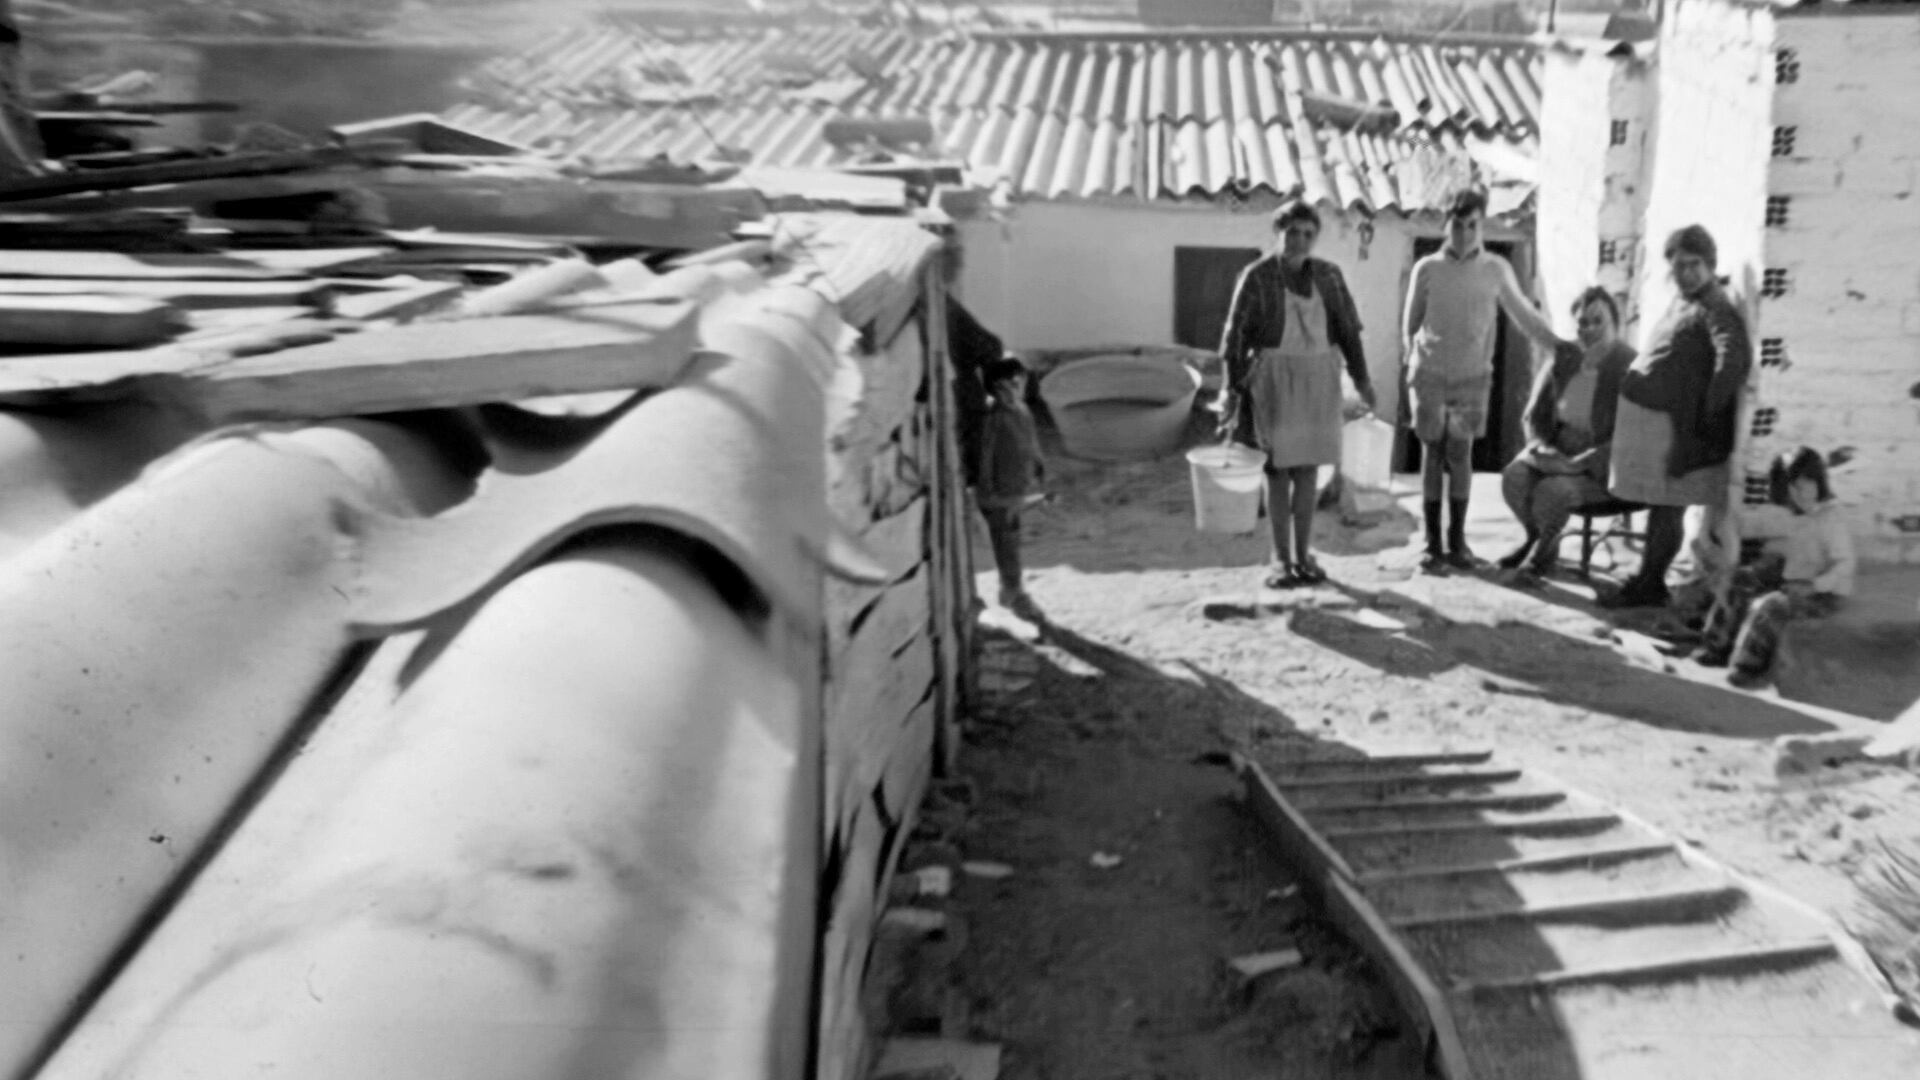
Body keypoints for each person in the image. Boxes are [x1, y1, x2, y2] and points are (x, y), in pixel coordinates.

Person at [1215, 199, 1376, 589]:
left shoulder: (1329, 276)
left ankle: (1304, 555)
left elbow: (1349, 331)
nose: (1300, 241)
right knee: (1277, 471)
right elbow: (1233, 339)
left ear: (1315, 237)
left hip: (1319, 378)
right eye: (1292, 233)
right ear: (1278, 233)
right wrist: (1233, 392)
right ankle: (1281, 559)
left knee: (1308, 471)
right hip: (1273, 380)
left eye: (1307, 234)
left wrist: (1362, 379)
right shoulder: (1257, 277)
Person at [1401, 189, 1563, 573]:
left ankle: (1457, 542)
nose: (1463, 233)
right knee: (1432, 453)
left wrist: (1558, 346)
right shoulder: (1427, 268)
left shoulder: (1495, 269)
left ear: (1481, 225)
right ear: (1447, 224)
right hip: (1429, 377)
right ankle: (1431, 543)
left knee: (1459, 454)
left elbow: (1524, 315)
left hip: (1472, 380)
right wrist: (1412, 363)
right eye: (1457, 224)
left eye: (1471, 225)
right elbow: (1410, 326)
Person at [1601, 224, 1753, 609]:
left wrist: (1707, 413)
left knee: (1668, 509)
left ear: (1710, 263)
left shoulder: (1716, 306)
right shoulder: (1685, 302)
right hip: (1659, 428)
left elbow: (1733, 357)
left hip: (1681, 431)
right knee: (1661, 507)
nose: (1685, 273)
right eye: (1678, 266)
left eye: (1693, 264)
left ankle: (1650, 585)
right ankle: (1646, 579)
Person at [1496, 287, 1636, 582]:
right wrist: (1541, 446)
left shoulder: (1629, 365)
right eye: (1583, 322)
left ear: (1616, 323)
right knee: (1515, 477)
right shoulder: (1566, 358)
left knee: (1553, 491)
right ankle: (1535, 535)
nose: (1589, 329)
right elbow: (1534, 414)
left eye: (1598, 321)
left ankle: (1543, 556)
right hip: (1558, 450)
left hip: (1602, 463)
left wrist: (1580, 464)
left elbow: (1632, 435)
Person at [1692, 447, 1853, 689]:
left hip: (1824, 594)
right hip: (1795, 579)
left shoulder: (1831, 518)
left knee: (1769, 607)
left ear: (1817, 481)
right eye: (1790, 489)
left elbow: (1845, 564)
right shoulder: (1798, 513)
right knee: (1743, 578)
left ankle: (1746, 667)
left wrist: (1815, 585)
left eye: (1801, 486)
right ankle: (1715, 647)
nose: (1796, 495)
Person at [947, 293, 1045, 623]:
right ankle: (1008, 589)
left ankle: (994, 591)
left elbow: (987, 348)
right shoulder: (936, 300)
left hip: (958, 431)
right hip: (961, 431)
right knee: (998, 517)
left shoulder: (1010, 415)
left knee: (984, 519)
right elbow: (987, 346)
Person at [974, 356, 1045, 622]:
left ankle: (1009, 589)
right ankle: (1014, 592)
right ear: (996, 388)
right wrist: (988, 490)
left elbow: (1032, 442)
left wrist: (1039, 465)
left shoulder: (1022, 410)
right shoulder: (995, 418)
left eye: (1019, 382)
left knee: (1012, 536)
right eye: (1008, 385)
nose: (1016, 389)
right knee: (1006, 542)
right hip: (999, 493)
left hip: (1017, 488)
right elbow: (986, 455)